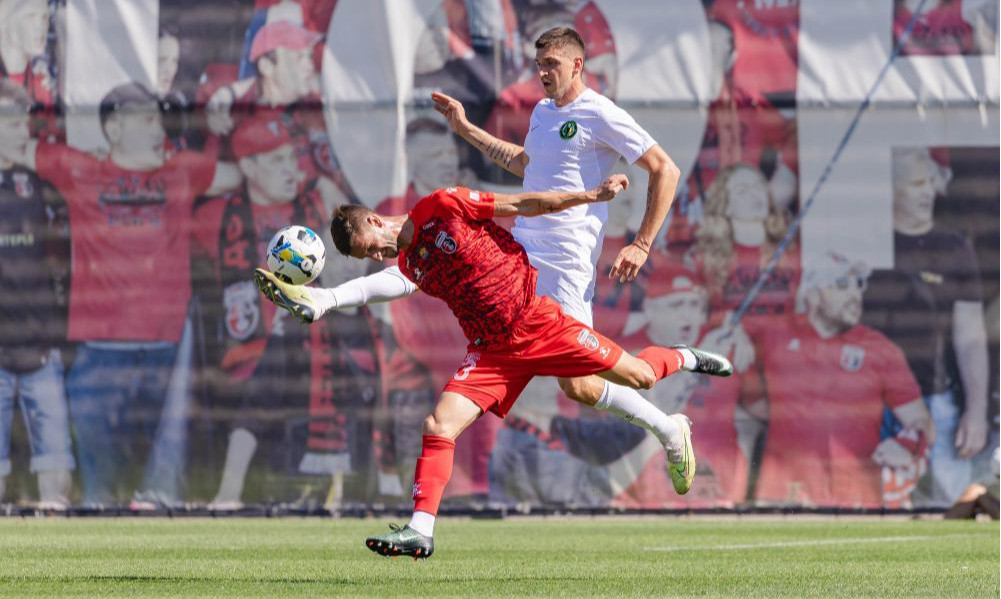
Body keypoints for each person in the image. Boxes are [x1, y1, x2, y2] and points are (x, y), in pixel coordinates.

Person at [253, 180, 733, 558]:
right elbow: (387, 284)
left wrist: (589, 196)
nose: (378, 255)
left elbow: (523, 203)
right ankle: (421, 530)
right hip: (491, 351)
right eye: (369, 257)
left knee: (638, 377)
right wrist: (329, 298)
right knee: (438, 424)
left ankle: (684, 357)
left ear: (376, 220)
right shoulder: (409, 263)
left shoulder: (443, 205)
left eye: (373, 246)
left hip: (539, 323)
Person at [430, 26, 695, 495]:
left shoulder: (599, 112)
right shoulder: (542, 111)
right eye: (539, 65)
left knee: (582, 386)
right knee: (443, 266)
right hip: (522, 262)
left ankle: (672, 405)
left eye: (551, 64)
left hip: (567, 268)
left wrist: (641, 244)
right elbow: (526, 165)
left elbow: (665, 169)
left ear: (577, 64)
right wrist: (465, 130)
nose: (543, 73)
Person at [0, 81, 242, 507]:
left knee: (162, 493)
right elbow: (16, 148)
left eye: (159, 118)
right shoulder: (78, 168)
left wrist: (215, 133)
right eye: (147, 118)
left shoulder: (182, 168)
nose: (158, 127)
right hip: (98, 353)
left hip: (167, 352)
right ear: (113, 129)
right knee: (100, 494)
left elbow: (235, 176)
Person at [750, 252, 934, 507]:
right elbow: (747, 398)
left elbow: (920, 421)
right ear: (812, 295)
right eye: (841, 285)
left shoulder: (881, 349)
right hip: (783, 493)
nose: (854, 295)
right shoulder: (772, 336)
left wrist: (905, 445)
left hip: (857, 495)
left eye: (858, 285)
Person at [862, 148, 990, 507]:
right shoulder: (867, 242)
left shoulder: (954, 247)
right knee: (871, 506)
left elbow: (970, 336)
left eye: (931, 182)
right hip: (867, 404)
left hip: (936, 399)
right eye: (916, 183)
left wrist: (976, 410)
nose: (927, 192)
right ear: (892, 189)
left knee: (949, 505)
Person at [0, 79, 73, 509]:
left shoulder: (42, 185)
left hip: (42, 353)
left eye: (21, 121)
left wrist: (57, 333)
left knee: (56, 474)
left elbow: (62, 263)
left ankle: (57, 565)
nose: (19, 129)